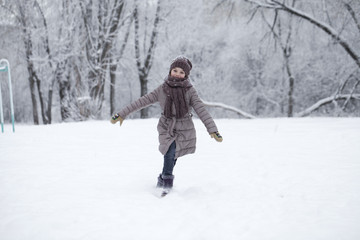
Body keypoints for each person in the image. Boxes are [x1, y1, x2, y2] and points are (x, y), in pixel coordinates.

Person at [111, 56, 222, 193]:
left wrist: (213, 130)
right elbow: (142, 101)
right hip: (166, 125)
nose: (177, 74)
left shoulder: (190, 91)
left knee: (173, 155)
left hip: (184, 127)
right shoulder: (162, 89)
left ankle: (162, 180)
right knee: (169, 152)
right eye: (175, 70)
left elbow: (201, 110)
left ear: (186, 75)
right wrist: (122, 113)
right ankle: (167, 185)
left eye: (182, 72)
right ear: (170, 71)